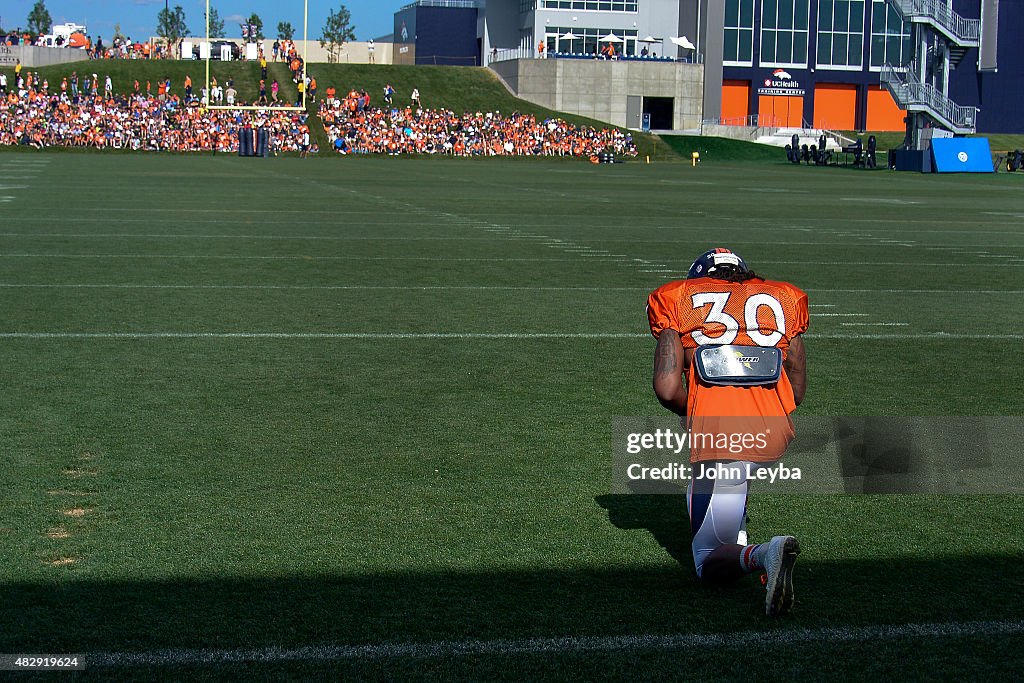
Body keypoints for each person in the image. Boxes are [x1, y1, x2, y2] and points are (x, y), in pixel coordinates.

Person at [646, 248, 808, 617]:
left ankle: (764, 554)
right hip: (774, 429)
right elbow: (796, 390)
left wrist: (704, 410)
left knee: (708, 562)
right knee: (726, 477)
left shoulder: (679, 301)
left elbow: (667, 388)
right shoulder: (782, 300)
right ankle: (737, 532)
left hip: (723, 433)